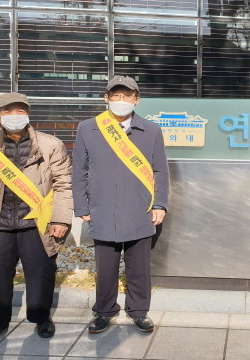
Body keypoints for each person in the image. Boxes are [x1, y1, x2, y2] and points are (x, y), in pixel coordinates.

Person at [0, 93, 72, 344]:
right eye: (8, 111)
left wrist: (61, 219)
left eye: (20, 111)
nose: (15, 116)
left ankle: (41, 317)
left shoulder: (50, 145)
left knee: (41, 273)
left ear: (28, 113)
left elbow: (63, 185)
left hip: (36, 222)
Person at [72, 75, 169, 334]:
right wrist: (82, 206)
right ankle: (104, 311)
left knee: (139, 267)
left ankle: (139, 311)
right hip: (102, 209)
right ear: (106, 98)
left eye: (127, 96)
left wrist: (160, 204)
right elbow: (79, 170)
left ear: (137, 100)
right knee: (105, 268)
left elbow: (160, 170)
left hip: (140, 208)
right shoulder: (88, 128)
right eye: (116, 95)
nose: (121, 100)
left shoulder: (151, 130)